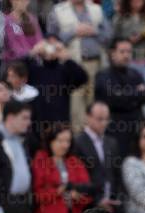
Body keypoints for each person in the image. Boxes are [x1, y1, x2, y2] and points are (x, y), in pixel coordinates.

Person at [47, 0, 112, 132]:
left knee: (96, 106)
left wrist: (94, 31)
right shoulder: (58, 11)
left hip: (96, 65)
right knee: (76, 108)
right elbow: (51, 40)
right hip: (73, 68)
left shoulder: (97, 9)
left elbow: (109, 36)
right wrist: (74, 32)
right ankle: (79, 144)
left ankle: (97, 144)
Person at [26, 36, 88, 155]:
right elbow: (17, 71)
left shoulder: (64, 70)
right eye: (48, 44)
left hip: (60, 125)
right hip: (37, 125)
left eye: (54, 46)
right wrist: (33, 52)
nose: (51, 49)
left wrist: (67, 58)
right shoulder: (34, 69)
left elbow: (82, 77)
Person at [94, 38, 145, 159]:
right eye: (122, 52)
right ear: (112, 54)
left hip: (136, 130)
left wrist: (127, 94)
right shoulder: (103, 75)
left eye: (129, 52)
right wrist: (136, 92)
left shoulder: (135, 73)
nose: (126, 55)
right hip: (115, 130)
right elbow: (115, 98)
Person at [73, 102, 124, 213]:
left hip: (111, 207)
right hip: (88, 208)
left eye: (106, 119)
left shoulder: (111, 143)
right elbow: (78, 178)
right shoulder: (77, 142)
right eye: (100, 119)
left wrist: (115, 199)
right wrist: (97, 201)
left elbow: (116, 175)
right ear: (88, 117)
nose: (104, 123)